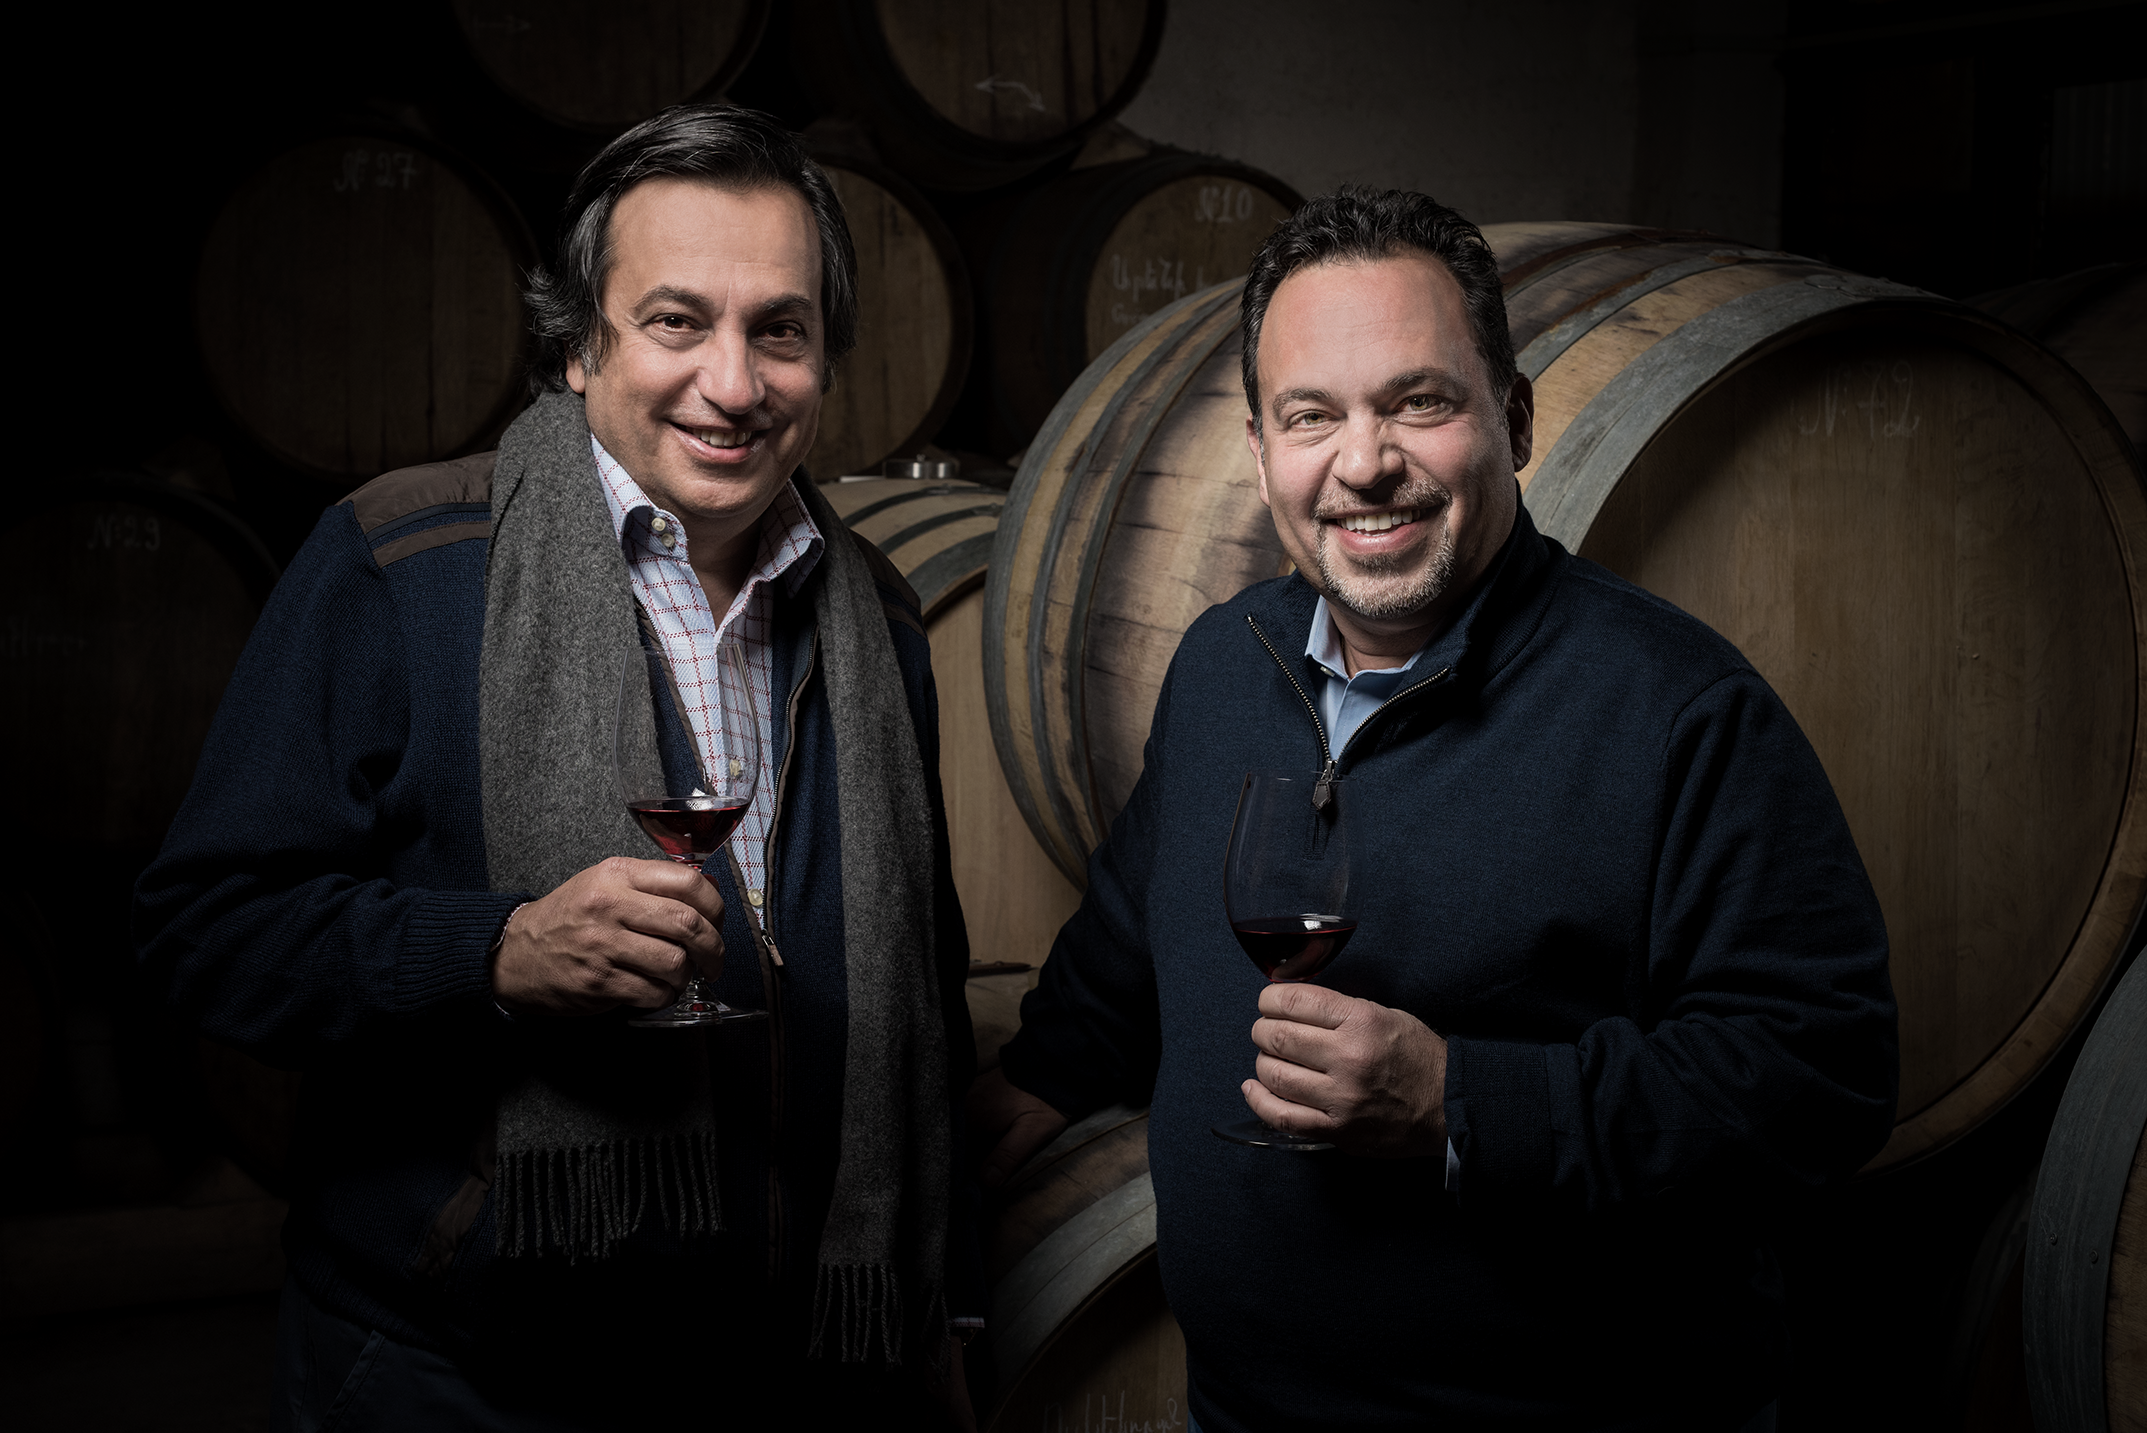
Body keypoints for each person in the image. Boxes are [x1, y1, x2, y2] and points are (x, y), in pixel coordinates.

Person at [971, 189, 1898, 1431]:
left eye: (1418, 401)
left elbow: (1817, 1079)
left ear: (1509, 418)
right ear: (1259, 453)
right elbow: (1145, 911)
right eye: (1313, 416)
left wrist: (1459, 1102)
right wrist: (1038, 1071)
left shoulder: (1675, 711)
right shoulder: (1220, 663)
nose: (1363, 463)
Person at [137, 105, 980, 1431]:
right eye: (674, 321)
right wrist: (494, 951)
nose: (733, 382)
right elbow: (203, 936)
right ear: (580, 344)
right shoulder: (402, 563)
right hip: (459, 1376)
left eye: (780, 329)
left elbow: (919, 984)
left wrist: (929, 1303)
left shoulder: (873, 617)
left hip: (791, 1372)